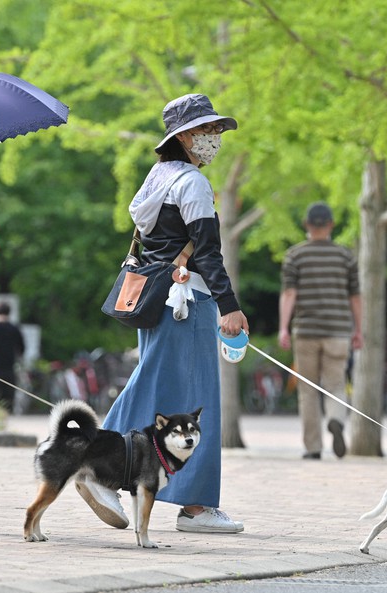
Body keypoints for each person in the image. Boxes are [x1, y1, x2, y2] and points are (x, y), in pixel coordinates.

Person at [96, 93, 248, 534]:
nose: (214, 137)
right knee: (183, 398)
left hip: (160, 300)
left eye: (215, 129)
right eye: (206, 129)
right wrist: (229, 306)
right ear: (182, 136)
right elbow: (209, 252)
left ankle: (193, 503)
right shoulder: (192, 183)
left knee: (167, 395)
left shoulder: (156, 178)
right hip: (190, 302)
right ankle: (100, 467)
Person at [278, 202, 362, 460]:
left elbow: (289, 293)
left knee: (308, 390)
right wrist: (358, 329)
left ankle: (313, 447)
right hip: (338, 331)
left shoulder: (295, 255)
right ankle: (336, 419)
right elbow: (355, 296)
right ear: (331, 225)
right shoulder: (345, 256)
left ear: (306, 224)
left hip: (306, 331)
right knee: (336, 384)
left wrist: (283, 328)